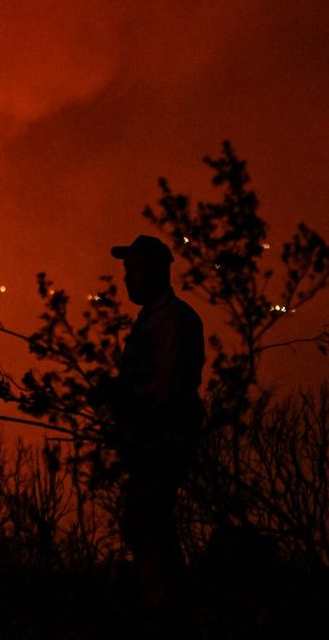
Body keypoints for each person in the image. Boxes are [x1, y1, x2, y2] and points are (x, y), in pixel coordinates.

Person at [94, 234, 205, 609]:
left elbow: (167, 385)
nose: (127, 279)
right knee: (149, 521)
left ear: (156, 272)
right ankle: (167, 600)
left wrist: (125, 397)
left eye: (134, 270)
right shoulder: (156, 319)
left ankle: (164, 604)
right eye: (127, 271)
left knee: (146, 520)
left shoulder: (171, 320)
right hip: (152, 438)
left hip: (163, 439)